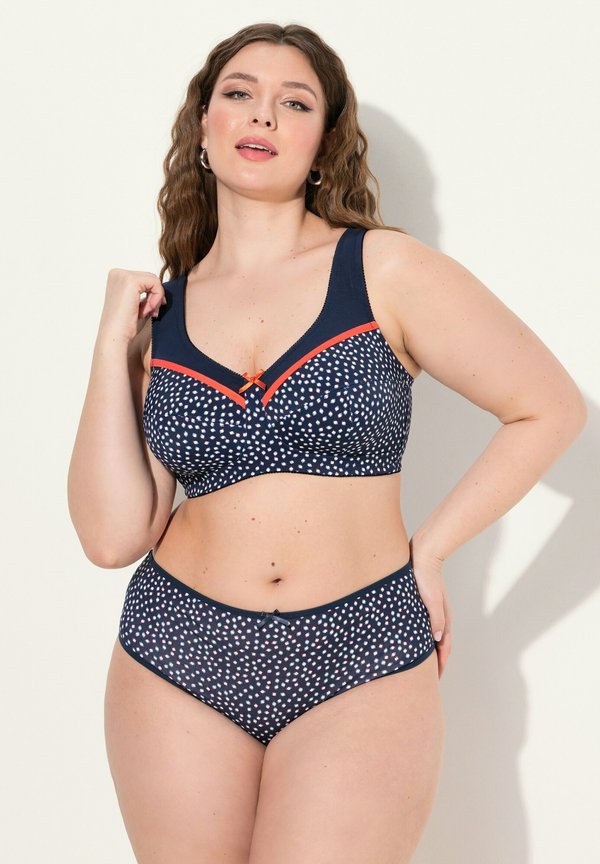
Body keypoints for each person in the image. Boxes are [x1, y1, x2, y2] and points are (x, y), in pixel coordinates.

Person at [67, 21, 587, 864]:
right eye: (239, 93)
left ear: (323, 144)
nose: (262, 115)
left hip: (363, 646)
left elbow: (548, 407)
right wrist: (108, 346)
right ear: (202, 127)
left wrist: (432, 551)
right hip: (177, 649)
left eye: (295, 102)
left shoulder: (385, 270)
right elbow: (111, 537)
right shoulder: (163, 317)